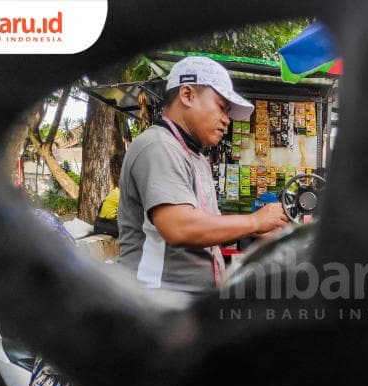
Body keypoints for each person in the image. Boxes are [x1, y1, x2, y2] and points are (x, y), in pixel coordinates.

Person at [118, 56, 288, 295]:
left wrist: (255, 230)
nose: (226, 120)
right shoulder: (158, 146)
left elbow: (205, 229)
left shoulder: (195, 156)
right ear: (187, 95)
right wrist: (254, 221)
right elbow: (179, 227)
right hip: (157, 300)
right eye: (221, 107)